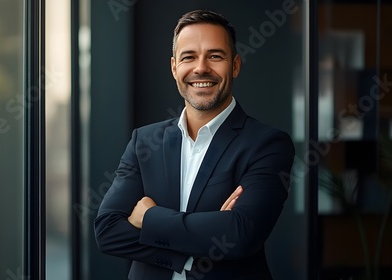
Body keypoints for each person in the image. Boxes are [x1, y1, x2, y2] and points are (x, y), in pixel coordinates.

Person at [94, 9, 295, 280]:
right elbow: (108, 232)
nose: (201, 67)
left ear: (235, 65)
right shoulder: (145, 142)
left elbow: (240, 234)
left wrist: (149, 218)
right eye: (189, 57)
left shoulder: (267, 144)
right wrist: (196, 247)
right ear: (174, 67)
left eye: (215, 56)